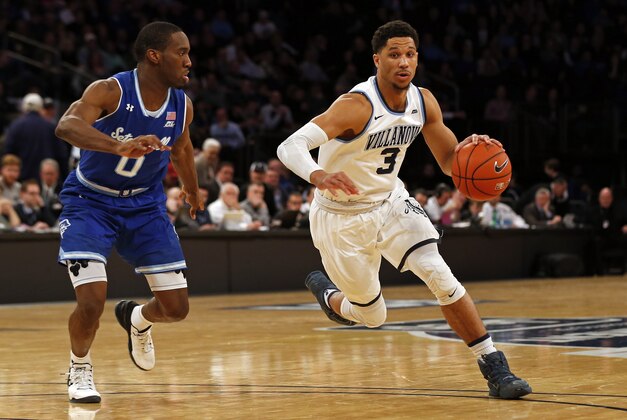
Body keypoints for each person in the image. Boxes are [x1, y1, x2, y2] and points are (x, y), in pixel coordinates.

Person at [277, 20, 531, 399]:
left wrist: (469, 151)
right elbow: (290, 146)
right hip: (341, 217)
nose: (404, 62)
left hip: (391, 201)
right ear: (377, 59)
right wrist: (318, 174)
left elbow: (449, 162)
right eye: (394, 54)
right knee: (372, 316)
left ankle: (495, 367)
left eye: (410, 54)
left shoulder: (424, 100)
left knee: (439, 274)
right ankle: (331, 298)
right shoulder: (355, 106)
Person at [54, 22, 203, 404]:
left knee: (177, 309)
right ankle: (80, 368)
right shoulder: (111, 90)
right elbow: (67, 125)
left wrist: (191, 188)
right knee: (91, 302)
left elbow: (182, 148)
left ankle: (138, 319)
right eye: (181, 52)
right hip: (91, 202)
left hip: (145, 205)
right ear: (155, 55)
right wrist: (116, 146)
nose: (189, 60)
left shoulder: (181, 104)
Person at [4, 92, 68, 181]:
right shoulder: (50, 127)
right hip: (45, 180)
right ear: (40, 107)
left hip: (21, 180)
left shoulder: (15, 126)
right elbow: (61, 155)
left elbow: (8, 154)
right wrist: (65, 178)